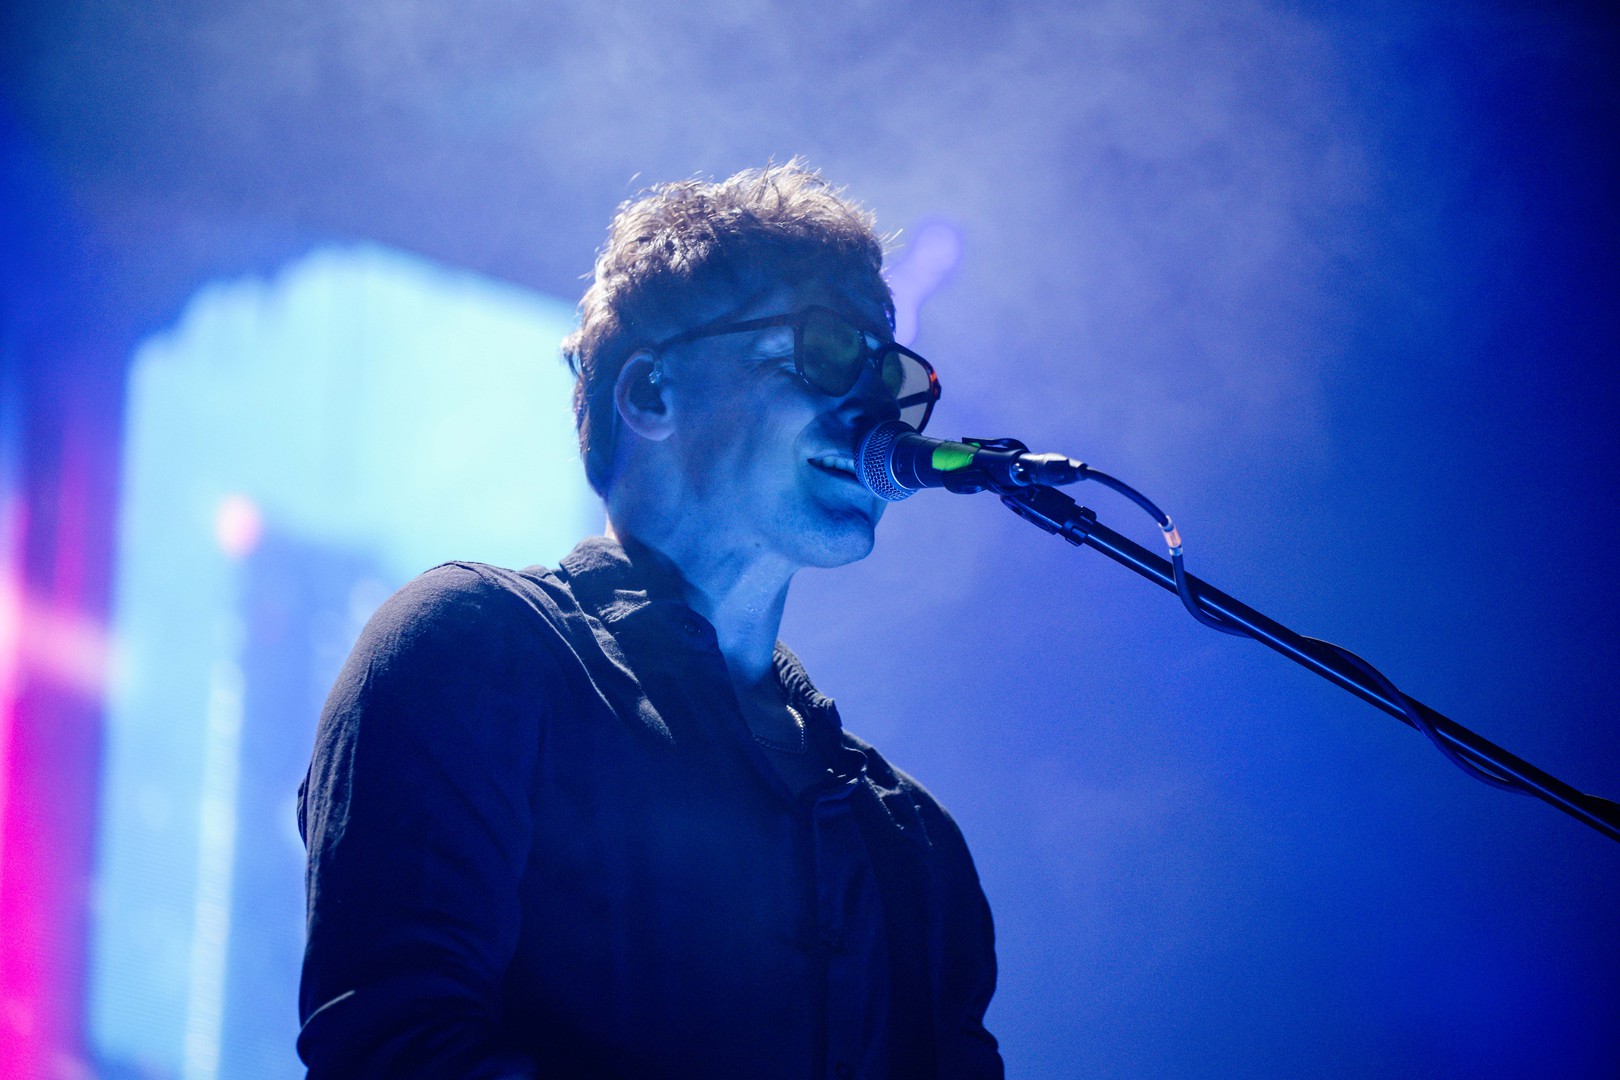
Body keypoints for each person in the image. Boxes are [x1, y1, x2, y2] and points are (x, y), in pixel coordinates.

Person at [297, 161, 1003, 1079]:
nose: (875, 410)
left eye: (889, 372)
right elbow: (397, 1050)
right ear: (650, 393)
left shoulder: (914, 839)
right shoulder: (473, 648)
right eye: (828, 349)